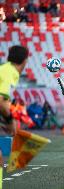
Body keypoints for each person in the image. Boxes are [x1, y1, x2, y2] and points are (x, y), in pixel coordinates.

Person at [0, 45, 29, 188]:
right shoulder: (9, 72)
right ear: (24, 60)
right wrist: (10, 121)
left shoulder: (6, 69)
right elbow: (1, 100)